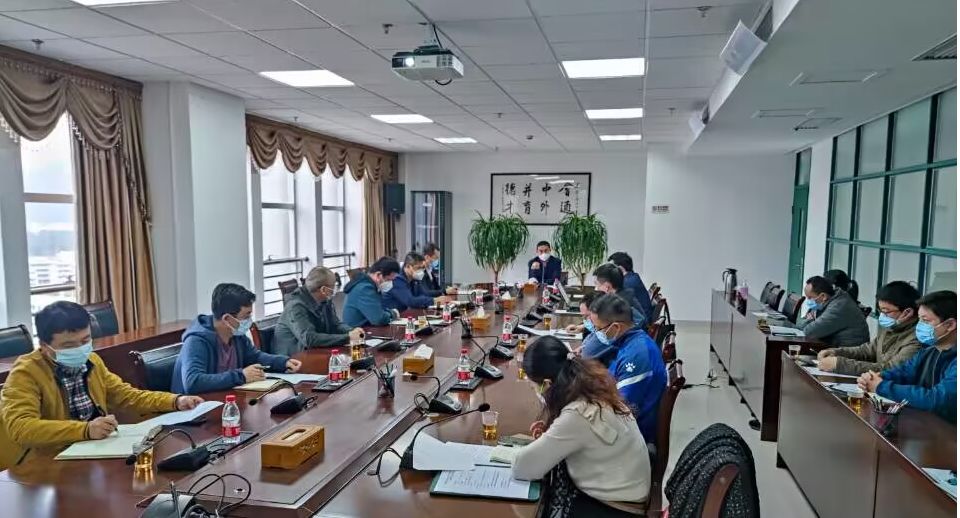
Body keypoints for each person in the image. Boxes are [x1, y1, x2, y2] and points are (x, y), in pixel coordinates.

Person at [0, 302, 205, 469]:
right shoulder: (25, 373)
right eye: (69, 346)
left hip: (92, 454)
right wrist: (85, 430)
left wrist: (175, 401)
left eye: (85, 340)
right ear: (44, 346)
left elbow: (127, 396)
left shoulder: (92, 361)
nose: (80, 349)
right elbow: (21, 428)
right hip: (44, 466)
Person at [513, 335, 650, 517]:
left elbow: (524, 467)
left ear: (546, 384)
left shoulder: (577, 414)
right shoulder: (591, 387)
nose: (535, 392)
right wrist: (553, 430)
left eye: (533, 386)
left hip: (615, 508)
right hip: (629, 491)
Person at [172, 283, 301, 395]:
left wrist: (282, 362)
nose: (249, 321)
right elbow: (193, 382)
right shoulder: (196, 341)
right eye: (246, 316)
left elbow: (255, 357)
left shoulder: (236, 335)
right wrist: (241, 376)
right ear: (227, 319)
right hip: (195, 407)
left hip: (226, 399)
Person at [859, 291, 957, 423]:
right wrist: (876, 378)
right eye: (919, 319)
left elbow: (937, 399)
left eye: (925, 320)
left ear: (950, 325)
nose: (919, 325)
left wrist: (881, 386)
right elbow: (904, 372)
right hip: (925, 423)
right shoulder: (929, 351)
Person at [584, 294, 666, 441]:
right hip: (622, 422)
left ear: (616, 327)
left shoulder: (637, 356)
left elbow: (621, 411)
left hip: (630, 435)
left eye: (598, 329)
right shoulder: (630, 343)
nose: (596, 334)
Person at [817, 281, 921, 375]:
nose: (882, 316)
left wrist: (840, 364)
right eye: (880, 311)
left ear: (907, 312)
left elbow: (890, 369)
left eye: (886, 312)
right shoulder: (893, 327)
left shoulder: (917, 339)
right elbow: (867, 350)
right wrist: (836, 352)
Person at [272, 266, 365, 357]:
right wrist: (348, 337)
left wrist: (352, 331)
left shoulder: (325, 301)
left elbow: (335, 325)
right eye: (333, 287)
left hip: (314, 353)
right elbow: (309, 339)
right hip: (292, 359)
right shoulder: (295, 306)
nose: (335, 290)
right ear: (323, 290)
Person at [796, 275, 869, 346]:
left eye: (810, 297)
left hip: (848, 350)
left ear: (823, 296)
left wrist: (810, 320)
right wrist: (811, 320)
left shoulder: (838, 307)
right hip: (835, 345)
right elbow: (800, 327)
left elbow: (809, 332)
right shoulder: (829, 301)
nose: (808, 301)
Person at [342, 256, 402, 327]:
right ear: (378, 275)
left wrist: (389, 312)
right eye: (388, 280)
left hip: (366, 328)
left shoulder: (368, 285)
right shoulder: (365, 289)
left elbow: (378, 310)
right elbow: (378, 319)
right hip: (358, 331)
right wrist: (392, 314)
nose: (390, 283)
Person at [383, 252, 452, 312]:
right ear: (408, 266)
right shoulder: (397, 279)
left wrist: (441, 295)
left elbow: (424, 293)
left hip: (405, 314)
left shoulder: (414, 278)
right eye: (418, 268)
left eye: (422, 268)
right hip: (392, 317)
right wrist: (434, 300)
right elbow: (410, 301)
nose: (421, 271)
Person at [593, 263, 647, 328]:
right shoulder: (624, 294)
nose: (596, 288)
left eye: (597, 284)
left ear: (607, 286)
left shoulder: (619, 303)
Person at [607, 252, 653, 320]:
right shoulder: (632, 277)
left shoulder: (627, 283)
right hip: (640, 318)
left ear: (620, 268)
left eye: (610, 268)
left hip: (639, 321)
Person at [563, 291, 603, 357]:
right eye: (583, 316)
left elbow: (586, 354)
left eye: (586, 316)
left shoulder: (604, 336)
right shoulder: (596, 330)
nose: (585, 320)